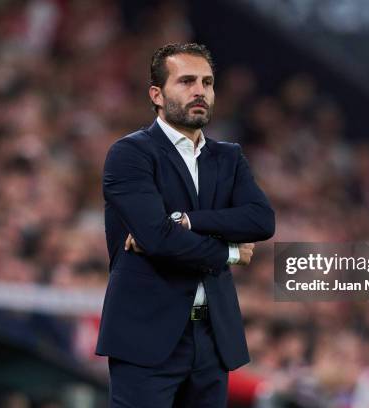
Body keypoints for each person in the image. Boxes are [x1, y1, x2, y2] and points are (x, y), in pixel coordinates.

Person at [95, 43, 275, 408]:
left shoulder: (229, 157)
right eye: (187, 81)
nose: (200, 91)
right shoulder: (130, 154)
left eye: (207, 83)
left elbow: (261, 219)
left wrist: (188, 221)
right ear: (156, 94)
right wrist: (229, 251)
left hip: (213, 337)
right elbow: (158, 238)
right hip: (146, 335)